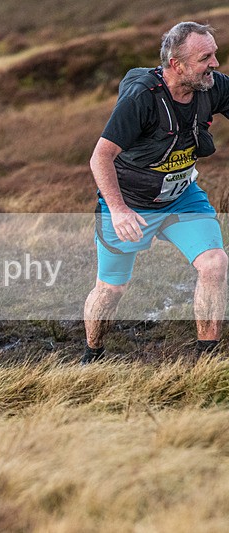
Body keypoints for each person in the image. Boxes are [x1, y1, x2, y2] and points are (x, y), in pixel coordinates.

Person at [83, 21, 229, 363]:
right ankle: (93, 354)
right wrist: (118, 210)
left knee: (215, 263)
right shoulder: (141, 100)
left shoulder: (213, 87)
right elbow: (101, 157)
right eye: (206, 57)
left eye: (215, 55)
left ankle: (207, 359)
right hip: (130, 204)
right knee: (111, 288)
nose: (216, 65)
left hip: (182, 198)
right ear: (177, 64)